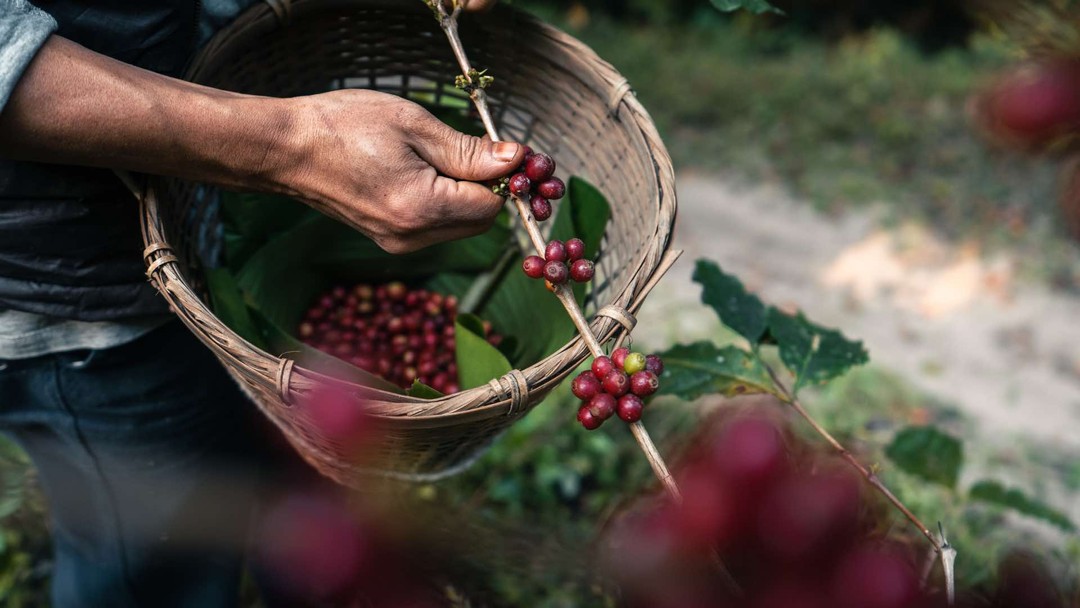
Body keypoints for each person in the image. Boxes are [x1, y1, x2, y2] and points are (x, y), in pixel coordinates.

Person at [0, 0, 518, 606]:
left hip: (203, 252)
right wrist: (291, 145)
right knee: (152, 565)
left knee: (281, 481)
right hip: (76, 310)